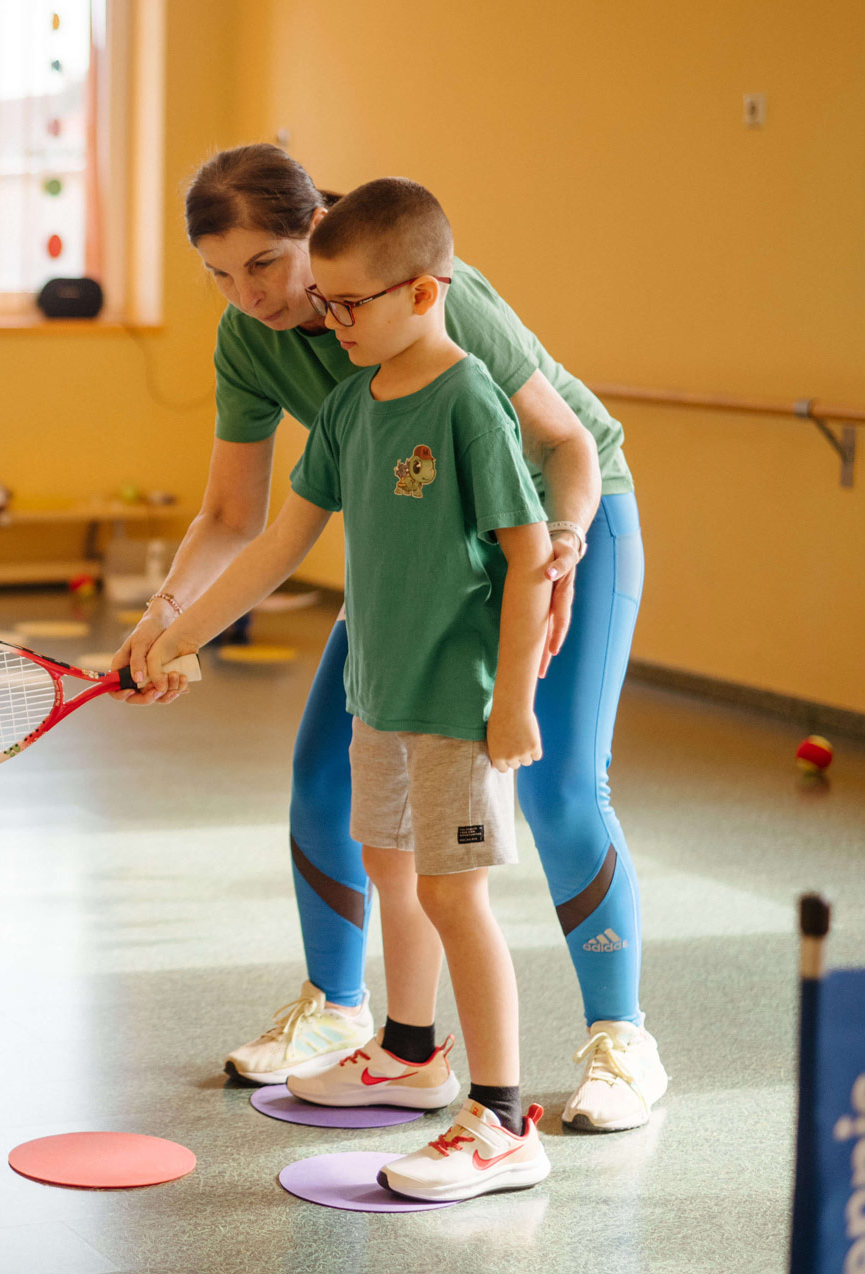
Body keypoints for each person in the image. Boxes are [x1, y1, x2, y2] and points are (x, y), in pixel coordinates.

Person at [114, 144, 664, 1133]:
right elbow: (245, 520)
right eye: (218, 274)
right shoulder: (253, 343)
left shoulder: (419, 298)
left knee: (559, 784)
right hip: (412, 552)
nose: (249, 297)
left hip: (560, 523)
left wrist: (563, 549)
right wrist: (165, 626)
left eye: (267, 265)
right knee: (330, 778)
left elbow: (566, 443)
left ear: (314, 233)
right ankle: (353, 1020)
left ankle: (621, 1037)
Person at [147, 178, 551, 1200]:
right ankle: (411, 1051)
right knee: (390, 862)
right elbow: (277, 543)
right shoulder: (344, 408)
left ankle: (503, 1119)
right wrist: (172, 634)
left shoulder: (468, 401)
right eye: (323, 302)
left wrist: (514, 698)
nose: (328, 322)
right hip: (381, 693)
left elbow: (530, 551)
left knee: (458, 895)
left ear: (424, 294)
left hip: (458, 703)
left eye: (348, 305)